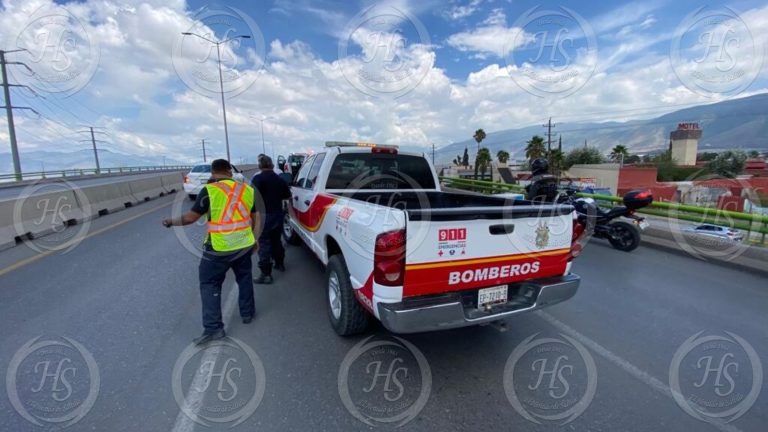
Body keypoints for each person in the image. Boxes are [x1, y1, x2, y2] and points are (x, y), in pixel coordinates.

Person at [162, 159, 259, 345]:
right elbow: (255, 217)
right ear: (230, 172)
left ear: (213, 173)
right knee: (244, 278)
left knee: (209, 284)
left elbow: (191, 218)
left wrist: (170, 221)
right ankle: (247, 314)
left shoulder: (209, 191)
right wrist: (255, 240)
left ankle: (214, 328)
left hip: (219, 248)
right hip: (243, 245)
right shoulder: (247, 190)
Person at [251, 155, 291, 284]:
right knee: (276, 240)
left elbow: (252, 198)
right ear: (272, 165)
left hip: (263, 216)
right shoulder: (279, 180)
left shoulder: (258, 179)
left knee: (263, 244)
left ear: (260, 166)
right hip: (277, 214)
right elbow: (287, 195)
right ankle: (280, 263)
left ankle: (266, 274)